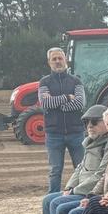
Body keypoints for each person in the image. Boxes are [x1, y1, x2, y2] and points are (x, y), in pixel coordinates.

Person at [35, 104, 108, 214]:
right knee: (48, 200)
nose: (90, 126)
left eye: (95, 122)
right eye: (86, 122)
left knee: (57, 203)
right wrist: (69, 187)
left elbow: (100, 175)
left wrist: (75, 190)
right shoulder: (91, 142)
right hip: (80, 189)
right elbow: (79, 168)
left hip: (90, 191)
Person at [37, 46, 86, 194]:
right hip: (54, 134)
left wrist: (57, 105)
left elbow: (80, 104)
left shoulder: (76, 81)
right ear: (49, 62)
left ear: (66, 61)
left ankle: (82, 195)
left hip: (76, 132)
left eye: (60, 58)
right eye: (54, 59)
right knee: (55, 170)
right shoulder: (44, 83)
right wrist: (66, 98)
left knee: (82, 167)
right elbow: (45, 103)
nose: (58, 61)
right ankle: (53, 198)